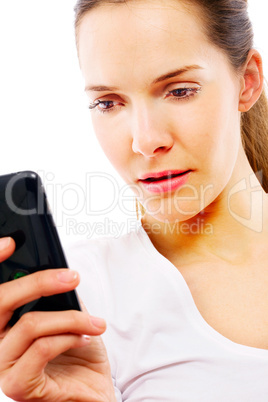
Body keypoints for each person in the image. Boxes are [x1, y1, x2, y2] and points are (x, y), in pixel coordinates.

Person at [1, 0, 268, 400]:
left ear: (246, 81)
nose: (145, 141)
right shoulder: (80, 306)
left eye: (179, 91)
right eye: (108, 103)